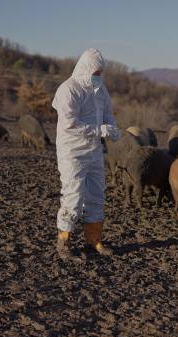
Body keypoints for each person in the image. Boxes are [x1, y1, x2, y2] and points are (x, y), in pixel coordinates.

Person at [51, 48, 121, 258]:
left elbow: (107, 113)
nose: (98, 76)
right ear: (85, 69)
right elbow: (69, 124)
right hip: (72, 151)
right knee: (73, 196)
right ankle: (64, 241)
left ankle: (93, 240)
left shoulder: (100, 90)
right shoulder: (68, 90)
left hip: (94, 150)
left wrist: (112, 128)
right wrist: (99, 130)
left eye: (101, 73)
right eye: (95, 72)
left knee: (97, 195)